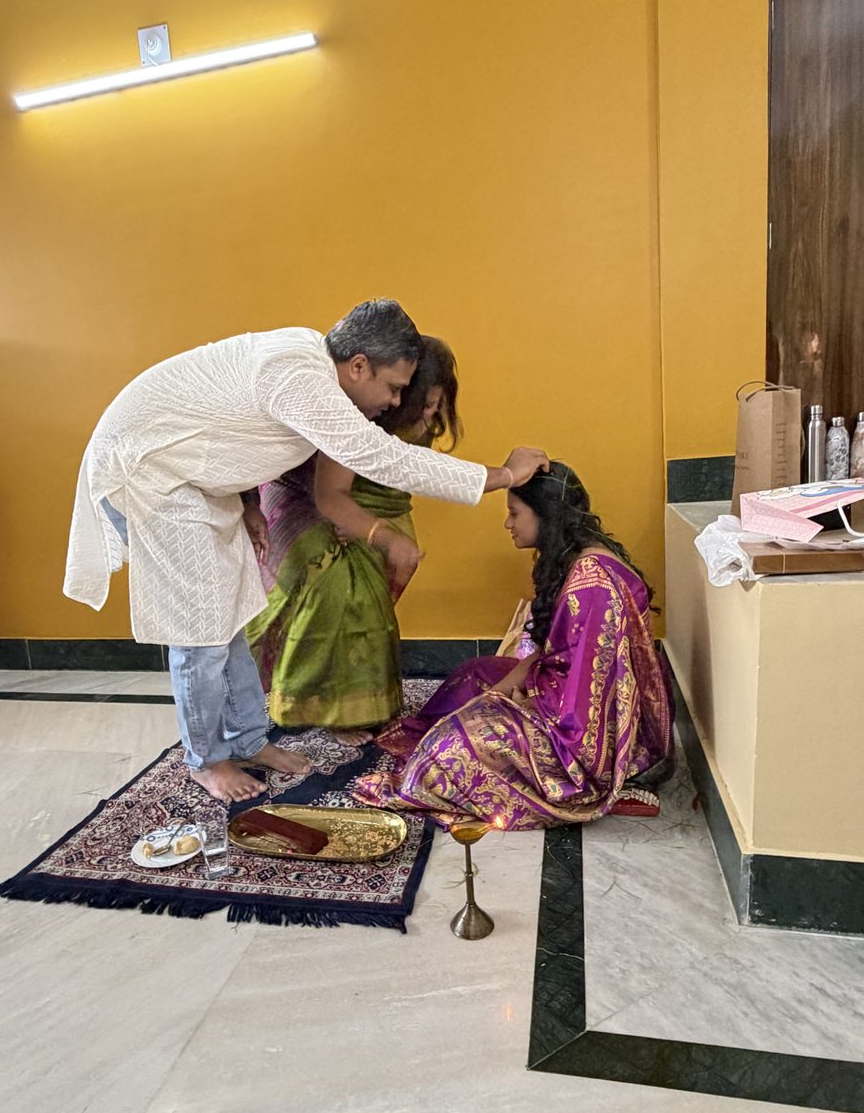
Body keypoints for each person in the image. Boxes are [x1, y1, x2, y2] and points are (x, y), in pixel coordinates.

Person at [63, 299, 548, 802]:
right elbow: (380, 456)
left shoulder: (308, 363)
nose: (394, 400)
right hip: (151, 475)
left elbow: (227, 425)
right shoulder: (302, 377)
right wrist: (503, 476)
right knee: (201, 632)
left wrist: (248, 500)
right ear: (359, 364)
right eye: (393, 386)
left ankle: (248, 739)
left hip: (194, 476)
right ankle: (207, 760)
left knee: (232, 612)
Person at [353, 462, 673, 829]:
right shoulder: (574, 559)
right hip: (562, 689)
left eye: (514, 513)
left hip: (586, 735)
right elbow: (551, 651)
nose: (508, 523)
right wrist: (499, 694)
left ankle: (618, 789)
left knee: (448, 751)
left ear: (546, 516)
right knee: (474, 676)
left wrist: (526, 702)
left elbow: (591, 707)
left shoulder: (593, 586)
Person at [245, 336, 462, 745]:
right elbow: (333, 490)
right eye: (423, 403)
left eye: (438, 403)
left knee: (370, 601)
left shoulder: (413, 414)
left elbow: (417, 471)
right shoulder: (360, 414)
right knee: (340, 591)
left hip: (382, 506)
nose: (431, 413)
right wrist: (363, 524)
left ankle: (357, 699)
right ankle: (326, 705)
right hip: (312, 497)